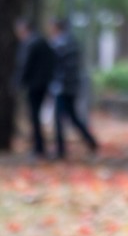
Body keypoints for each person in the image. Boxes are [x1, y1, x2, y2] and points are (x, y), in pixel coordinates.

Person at [48, 18, 98, 159]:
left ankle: (60, 150)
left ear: (56, 27)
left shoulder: (60, 44)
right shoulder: (71, 42)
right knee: (73, 117)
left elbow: (58, 66)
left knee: (59, 118)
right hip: (71, 86)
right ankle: (90, 140)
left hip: (62, 87)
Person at [15, 19, 57, 159]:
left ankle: (38, 148)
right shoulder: (43, 42)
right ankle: (38, 146)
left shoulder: (30, 43)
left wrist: (18, 82)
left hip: (34, 85)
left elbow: (24, 65)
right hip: (43, 84)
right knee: (35, 116)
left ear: (24, 29)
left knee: (34, 116)